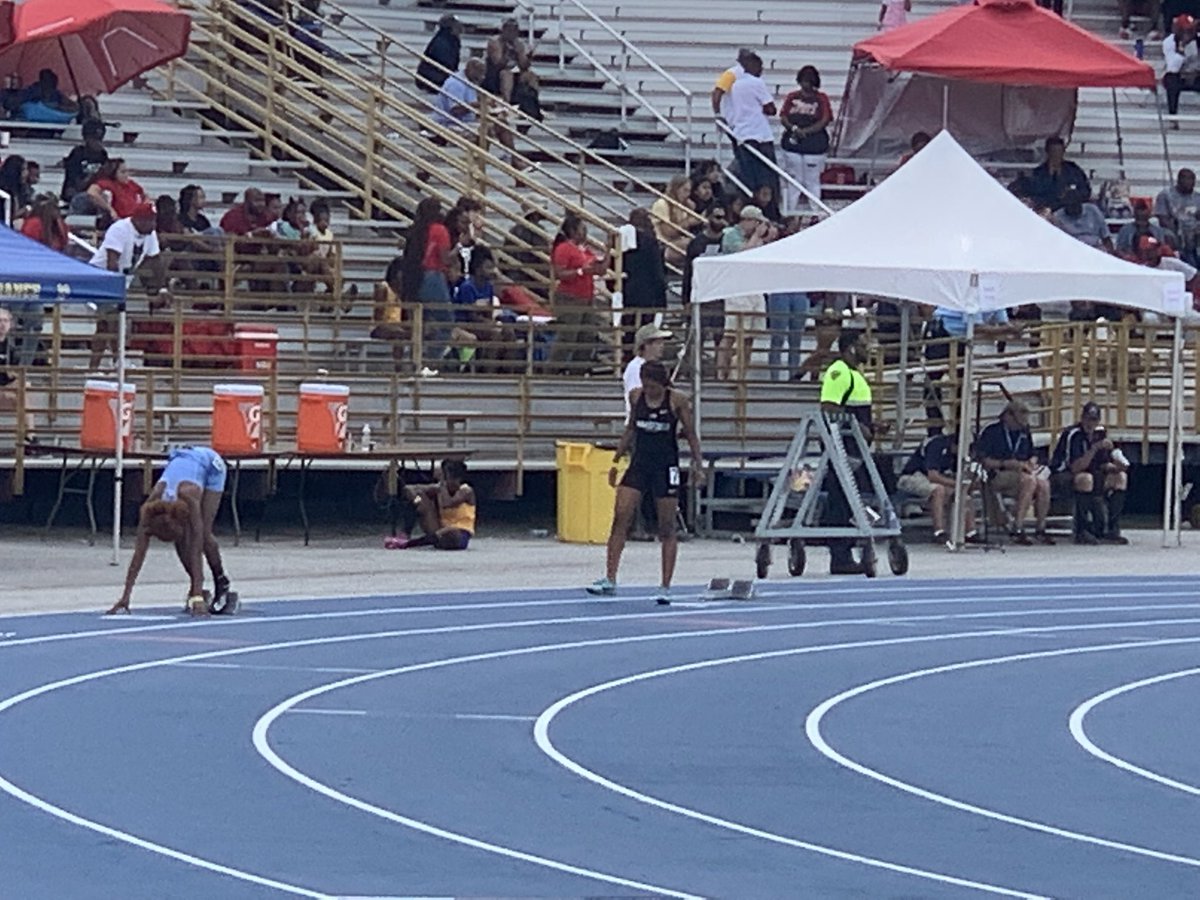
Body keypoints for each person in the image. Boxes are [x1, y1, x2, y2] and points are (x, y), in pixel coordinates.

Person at [586, 361, 703, 604]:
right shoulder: (635, 397)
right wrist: (616, 460)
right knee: (621, 517)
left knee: (666, 526)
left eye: (653, 387)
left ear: (662, 384)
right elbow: (630, 430)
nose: (649, 391)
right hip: (639, 465)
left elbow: (690, 433)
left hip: (665, 467)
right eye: (646, 386)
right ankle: (610, 578)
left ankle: (665, 585)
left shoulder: (677, 401)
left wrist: (697, 465)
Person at [108, 446, 232, 616]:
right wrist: (125, 598)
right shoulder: (149, 510)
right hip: (183, 463)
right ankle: (198, 588)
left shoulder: (190, 495)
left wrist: (196, 596)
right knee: (181, 541)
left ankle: (221, 581)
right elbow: (138, 555)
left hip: (210, 465)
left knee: (202, 535)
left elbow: (195, 548)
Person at [819, 330, 881, 574]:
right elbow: (828, 408)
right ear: (852, 347)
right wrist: (855, 426)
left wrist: (871, 427)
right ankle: (840, 555)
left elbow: (855, 412)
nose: (869, 350)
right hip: (841, 446)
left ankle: (848, 548)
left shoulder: (856, 376)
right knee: (841, 500)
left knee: (853, 499)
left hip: (855, 447)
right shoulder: (838, 372)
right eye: (864, 345)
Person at [88, 204, 165, 369]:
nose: (154, 225)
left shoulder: (150, 234)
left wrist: (160, 288)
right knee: (109, 321)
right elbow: (112, 262)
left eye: (154, 220)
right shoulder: (120, 229)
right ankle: (108, 363)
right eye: (150, 221)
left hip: (122, 281)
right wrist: (116, 290)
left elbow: (155, 261)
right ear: (138, 220)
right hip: (101, 277)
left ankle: (111, 362)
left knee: (110, 322)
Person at [1049, 402, 1131, 544]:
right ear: (1082, 418)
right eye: (1087, 419)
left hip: (1093, 473)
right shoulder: (1073, 434)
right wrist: (1094, 449)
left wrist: (1116, 466)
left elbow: (1102, 463)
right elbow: (1075, 467)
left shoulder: (1100, 433)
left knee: (1120, 478)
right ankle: (1082, 530)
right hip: (1065, 474)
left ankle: (1112, 528)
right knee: (1085, 479)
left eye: (1094, 420)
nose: (1090, 423)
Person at [977, 399, 1054, 545]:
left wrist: (1032, 460)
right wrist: (1007, 463)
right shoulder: (992, 431)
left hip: (1022, 472)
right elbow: (983, 460)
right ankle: (1017, 527)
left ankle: (1040, 528)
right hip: (999, 473)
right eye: (1018, 422)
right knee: (1029, 481)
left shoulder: (1024, 431)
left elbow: (1032, 452)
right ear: (1008, 416)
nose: (1021, 425)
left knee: (1043, 484)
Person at [718, 205, 774, 380]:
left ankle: (741, 373)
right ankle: (722, 373)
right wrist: (757, 236)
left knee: (750, 335)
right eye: (757, 222)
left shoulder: (757, 239)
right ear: (747, 221)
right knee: (732, 333)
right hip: (736, 289)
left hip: (754, 288)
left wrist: (765, 238)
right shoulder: (730, 235)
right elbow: (742, 255)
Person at [401, 197, 454, 373]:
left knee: (421, 323)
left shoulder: (415, 230)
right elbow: (445, 258)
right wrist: (459, 249)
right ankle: (431, 361)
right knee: (446, 322)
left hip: (413, 279)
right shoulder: (440, 230)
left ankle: (414, 360)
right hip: (433, 276)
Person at [897, 430, 979, 544]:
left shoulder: (957, 455)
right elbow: (933, 476)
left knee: (962, 493)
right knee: (938, 490)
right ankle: (939, 531)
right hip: (913, 477)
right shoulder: (937, 445)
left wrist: (968, 481)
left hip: (936, 479)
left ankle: (970, 532)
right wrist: (958, 484)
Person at [549, 212, 607, 369]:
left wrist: (607, 255)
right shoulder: (563, 248)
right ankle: (551, 370)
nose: (585, 232)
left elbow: (600, 271)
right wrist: (581, 271)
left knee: (587, 336)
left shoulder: (585, 250)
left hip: (586, 297)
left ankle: (578, 371)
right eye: (582, 228)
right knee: (568, 337)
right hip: (570, 297)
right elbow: (560, 273)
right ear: (573, 231)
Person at [779, 66, 832, 214]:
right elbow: (783, 116)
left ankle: (815, 213)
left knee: (812, 180)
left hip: (814, 145)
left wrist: (806, 131)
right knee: (795, 180)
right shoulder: (792, 97)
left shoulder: (821, 99)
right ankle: (791, 212)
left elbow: (825, 119)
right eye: (803, 81)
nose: (805, 85)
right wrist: (794, 129)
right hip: (793, 144)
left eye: (809, 81)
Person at [390, 459, 477, 550]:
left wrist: (442, 483)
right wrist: (417, 499)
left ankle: (410, 543)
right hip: (439, 530)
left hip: (458, 533)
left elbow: (446, 503)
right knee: (421, 500)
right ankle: (406, 533)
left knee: (452, 532)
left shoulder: (466, 491)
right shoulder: (440, 488)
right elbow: (410, 489)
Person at [726, 52, 778, 196]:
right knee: (767, 177)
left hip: (742, 134)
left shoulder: (735, 85)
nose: (761, 70)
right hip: (759, 134)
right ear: (752, 65)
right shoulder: (756, 83)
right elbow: (771, 109)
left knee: (748, 177)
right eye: (760, 66)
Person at [682, 205, 728, 360]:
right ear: (708, 218)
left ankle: (719, 372)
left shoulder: (727, 241)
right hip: (700, 296)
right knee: (695, 339)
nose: (721, 221)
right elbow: (688, 272)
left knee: (720, 339)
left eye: (723, 217)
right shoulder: (697, 242)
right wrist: (686, 299)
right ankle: (690, 371)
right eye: (717, 217)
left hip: (720, 297)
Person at [621, 208, 668, 351]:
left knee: (629, 331)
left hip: (629, 291)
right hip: (649, 294)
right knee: (647, 332)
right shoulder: (651, 242)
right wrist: (662, 297)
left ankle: (627, 358)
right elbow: (657, 270)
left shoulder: (623, 240)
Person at [485, 17, 541, 120]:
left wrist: (528, 57)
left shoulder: (518, 43)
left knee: (531, 76)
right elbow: (497, 63)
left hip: (513, 72)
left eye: (514, 30)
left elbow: (523, 66)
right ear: (503, 30)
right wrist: (508, 52)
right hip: (495, 74)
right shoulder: (495, 42)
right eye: (509, 30)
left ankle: (534, 104)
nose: (512, 33)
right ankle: (506, 105)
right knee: (507, 75)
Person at [1022, 137, 1091, 210]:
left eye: (1059, 151)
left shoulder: (1073, 170)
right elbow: (1033, 194)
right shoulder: (1038, 173)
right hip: (1046, 210)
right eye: (1053, 151)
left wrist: (1071, 194)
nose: (1056, 155)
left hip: (1069, 210)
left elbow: (1085, 191)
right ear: (1047, 152)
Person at [1154, 168, 1199, 264]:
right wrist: (1180, 232)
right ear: (1179, 180)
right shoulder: (1166, 195)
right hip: (1174, 229)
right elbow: (1163, 219)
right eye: (1186, 179)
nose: (1189, 182)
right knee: (1170, 236)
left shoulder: (1197, 197)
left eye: (1192, 179)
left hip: (1194, 232)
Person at [1052, 184, 1114, 252]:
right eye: (1069, 205)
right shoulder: (1058, 217)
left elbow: (1106, 237)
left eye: (1075, 204)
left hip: (1095, 248)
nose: (1072, 207)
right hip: (1072, 251)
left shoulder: (1093, 210)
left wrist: (1112, 254)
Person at [62, 120, 108, 209]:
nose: (98, 143)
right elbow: (76, 183)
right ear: (86, 138)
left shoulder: (102, 154)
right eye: (94, 139)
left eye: (100, 139)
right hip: (77, 195)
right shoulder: (77, 154)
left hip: (95, 193)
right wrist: (94, 176)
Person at [86, 158, 148, 224]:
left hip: (136, 220)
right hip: (121, 221)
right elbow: (92, 192)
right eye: (123, 172)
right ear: (113, 172)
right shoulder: (108, 183)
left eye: (127, 171)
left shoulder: (131, 184)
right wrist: (110, 209)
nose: (126, 175)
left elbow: (144, 195)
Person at [1163, 14, 1200, 116]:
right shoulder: (1169, 42)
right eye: (1186, 30)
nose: (1189, 33)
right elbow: (1172, 67)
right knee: (1171, 80)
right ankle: (1173, 116)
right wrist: (1181, 48)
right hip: (1179, 75)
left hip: (1196, 75)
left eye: (1191, 30)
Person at [417, 14, 463, 93]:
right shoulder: (442, 42)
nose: (459, 28)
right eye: (456, 25)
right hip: (432, 79)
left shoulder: (452, 41)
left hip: (439, 77)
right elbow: (446, 64)